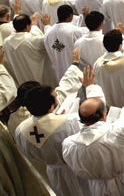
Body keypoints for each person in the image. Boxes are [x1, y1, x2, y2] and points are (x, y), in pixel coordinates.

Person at [62, 69, 124, 196]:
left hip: (96, 188)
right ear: (104, 115)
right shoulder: (117, 132)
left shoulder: (69, 145)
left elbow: (95, 106)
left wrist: (90, 87)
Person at [15, 65, 102, 196]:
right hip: (78, 167)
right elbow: (90, 135)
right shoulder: (68, 123)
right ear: (51, 107)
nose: (57, 99)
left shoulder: (20, 130)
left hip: (54, 173)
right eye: (56, 99)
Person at [44, 5, 88, 81]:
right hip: (75, 68)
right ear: (70, 16)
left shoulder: (48, 33)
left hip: (59, 70)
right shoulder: (75, 31)